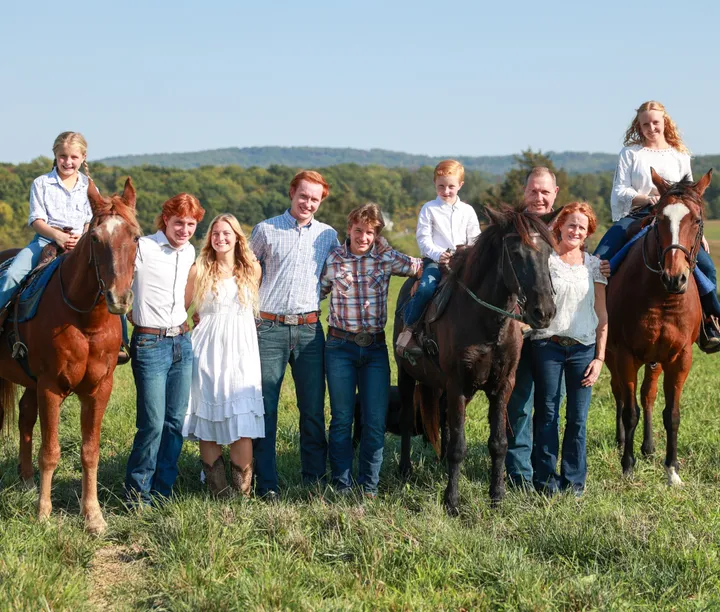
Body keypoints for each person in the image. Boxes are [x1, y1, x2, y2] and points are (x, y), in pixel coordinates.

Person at [594, 100, 720, 352]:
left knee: (707, 266)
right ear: (638, 127)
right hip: (637, 214)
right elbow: (620, 190)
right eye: (645, 124)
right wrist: (646, 198)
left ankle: (711, 322)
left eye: (655, 122)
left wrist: (697, 234)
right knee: (599, 259)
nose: (651, 127)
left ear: (665, 123)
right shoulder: (630, 153)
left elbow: (692, 195)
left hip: (678, 221)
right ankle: (589, 322)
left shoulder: (679, 155)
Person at [321, 203, 423, 497]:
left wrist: (426, 277)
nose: (363, 237)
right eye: (358, 231)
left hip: (374, 349)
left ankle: (369, 486)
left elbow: (419, 266)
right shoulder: (334, 259)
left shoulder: (386, 257)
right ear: (349, 228)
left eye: (369, 232)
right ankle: (341, 484)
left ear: (376, 234)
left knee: (375, 420)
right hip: (340, 347)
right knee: (341, 418)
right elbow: (317, 292)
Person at [250, 170, 340, 498]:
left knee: (313, 410)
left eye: (315, 199)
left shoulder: (328, 235)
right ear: (292, 193)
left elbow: (335, 275)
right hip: (269, 328)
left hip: (309, 331)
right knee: (266, 407)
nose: (308, 203)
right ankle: (266, 483)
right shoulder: (266, 229)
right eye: (303, 196)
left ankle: (314, 480)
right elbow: (245, 272)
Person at [124, 193, 205, 507]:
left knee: (175, 422)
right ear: (165, 220)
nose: (184, 230)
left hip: (182, 344)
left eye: (191, 224)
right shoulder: (143, 248)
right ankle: (136, 494)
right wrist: (131, 313)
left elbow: (185, 295)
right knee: (152, 423)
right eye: (178, 223)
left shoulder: (189, 252)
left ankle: (163, 491)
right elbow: (120, 280)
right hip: (150, 344)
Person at [182, 214, 265, 497]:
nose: (221, 238)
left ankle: (242, 493)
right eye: (216, 233)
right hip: (207, 349)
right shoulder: (199, 269)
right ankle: (218, 491)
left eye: (226, 233)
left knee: (241, 421)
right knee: (209, 420)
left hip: (242, 350)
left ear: (237, 237)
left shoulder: (252, 269)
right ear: (210, 238)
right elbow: (180, 310)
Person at [531, 202, 608, 495]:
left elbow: (602, 315)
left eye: (582, 226)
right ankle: (546, 482)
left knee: (578, 418)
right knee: (547, 414)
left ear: (588, 232)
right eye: (571, 224)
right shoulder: (546, 261)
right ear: (559, 226)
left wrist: (600, 358)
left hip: (583, 350)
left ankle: (575, 483)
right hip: (547, 347)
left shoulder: (594, 265)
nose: (576, 230)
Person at [0, 132, 92, 330]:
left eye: (74, 157)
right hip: (45, 241)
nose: (68, 162)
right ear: (55, 155)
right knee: (13, 274)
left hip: (80, 244)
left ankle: (121, 342)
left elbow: (90, 221)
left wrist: (82, 237)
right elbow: (36, 220)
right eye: (63, 156)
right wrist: (57, 235)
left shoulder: (89, 186)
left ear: (83, 157)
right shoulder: (41, 183)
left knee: (106, 280)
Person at [396, 159, 480, 357]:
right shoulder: (429, 208)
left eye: (451, 186)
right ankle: (409, 328)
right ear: (435, 184)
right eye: (441, 186)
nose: (446, 191)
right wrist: (438, 254)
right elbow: (423, 239)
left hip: (463, 262)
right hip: (435, 261)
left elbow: (475, 238)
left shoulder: (467, 211)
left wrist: (466, 253)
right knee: (425, 288)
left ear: (460, 185)